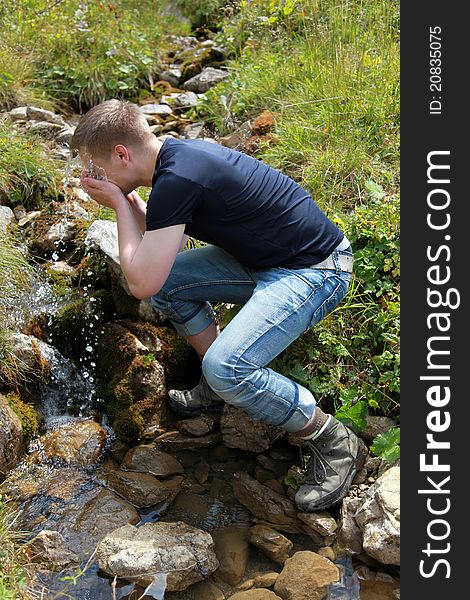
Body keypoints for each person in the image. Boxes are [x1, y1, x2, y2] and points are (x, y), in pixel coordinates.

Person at [71, 99, 365, 511]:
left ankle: (331, 438)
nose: (91, 179)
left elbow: (139, 281)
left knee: (228, 366)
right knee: (170, 287)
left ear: (122, 154)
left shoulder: (179, 178)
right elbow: (157, 262)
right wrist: (132, 203)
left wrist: (119, 204)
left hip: (316, 269)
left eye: (96, 169)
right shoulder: (174, 160)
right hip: (266, 261)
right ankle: (220, 387)